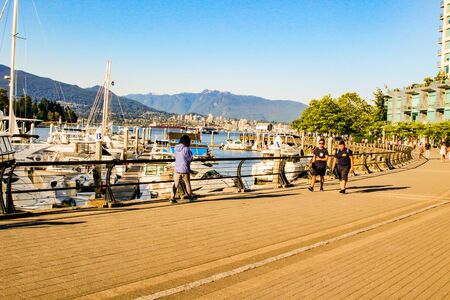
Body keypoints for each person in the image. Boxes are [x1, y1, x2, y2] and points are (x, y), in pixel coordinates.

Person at [171, 135, 195, 203]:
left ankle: (172, 197)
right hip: (184, 169)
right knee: (187, 183)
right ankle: (190, 197)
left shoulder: (175, 148)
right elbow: (189, 158)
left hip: (177, 169)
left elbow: (175, 156)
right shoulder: (186, 149)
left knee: (175, 184)